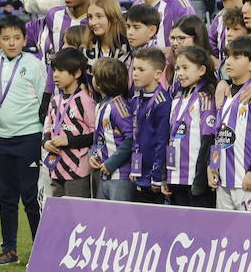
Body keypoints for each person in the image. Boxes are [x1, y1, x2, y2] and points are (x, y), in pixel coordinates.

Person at [0, 15, 47, 266]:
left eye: (16, 38)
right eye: (6, 38)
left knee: (30, 196)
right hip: (2, 141)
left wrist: (44, 136)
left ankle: (40, 248)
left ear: (25, 40)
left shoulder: (35, 65)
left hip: (29, 138)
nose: (12, 43)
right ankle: (9, 249)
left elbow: (43, 102)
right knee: (5, 196)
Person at [210, 37, 251, 211]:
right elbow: (218, 134)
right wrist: (212, 165)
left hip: (245, 180)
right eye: (227, 57)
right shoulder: (224, 92)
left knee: (250, 232)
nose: (228, 62)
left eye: (236, 58)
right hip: (222, 180)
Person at [163, 46, 217, 207]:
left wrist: (201, 178)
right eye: (177, 68)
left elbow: (208, 139)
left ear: (201, 70)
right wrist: (165, 175)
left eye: (185, 68)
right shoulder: (177, 97)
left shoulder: (206, 97)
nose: (180, 73)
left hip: (195, 177)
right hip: (175, 175)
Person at [42, 47, 98, 199]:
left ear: (77, 73)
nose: (55, 75)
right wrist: (46, 142)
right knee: (59, 217)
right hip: (55, 168)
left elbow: (96, 136)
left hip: (77, 171)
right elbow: (48, 129)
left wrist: (69, 141)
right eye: (54, 70)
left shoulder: (86, 101)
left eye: (61, 70)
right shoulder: (55, 101)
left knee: (77, 218)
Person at [128, 47, 172, 204]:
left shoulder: (163, 102)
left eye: (141, 69)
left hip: (154, 178)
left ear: (157, 74)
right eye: (134, 68)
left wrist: (157, 177)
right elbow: (135, 136)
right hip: (139, 172)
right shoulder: (136, 98)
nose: (135, 73)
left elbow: (162, 141)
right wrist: (134, 168)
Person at [91, 57, 136, 201]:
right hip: (104, 174)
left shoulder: (118, 106)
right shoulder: (100, 105)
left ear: (99, 84)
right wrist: (93, 154)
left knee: (120, 220)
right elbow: (98, 137)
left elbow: (131, 139)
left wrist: (112, 163)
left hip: (120, 176)